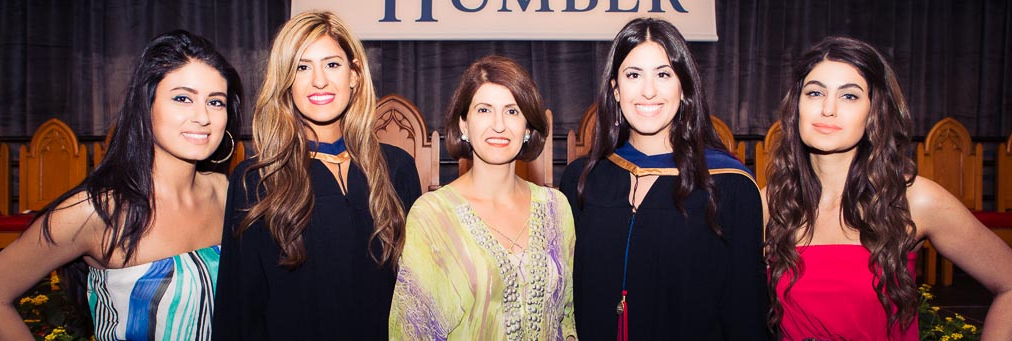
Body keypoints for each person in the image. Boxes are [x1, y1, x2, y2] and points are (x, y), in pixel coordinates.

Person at [0, 30, 242, 341]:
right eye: (182, 98)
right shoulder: (96, 212)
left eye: (216, 102)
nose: (203, 116)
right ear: (145, 106)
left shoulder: (224, 190)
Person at [764, 36, 1012, 340]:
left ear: (874, 112)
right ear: (796, 106)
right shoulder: (770, 203)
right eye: (815, 93)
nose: (828, 109)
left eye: (849, 96)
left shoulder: (914, 200)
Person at [212, 10, 421, 340]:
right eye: (302, 67)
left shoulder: (397, 169)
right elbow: (238, 312)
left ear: (354, 75)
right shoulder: (256, 181)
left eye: (332, 64)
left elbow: (417, 295)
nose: (319, 80)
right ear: (285, 83)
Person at [559, 18, 768, 340]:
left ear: (683, 87)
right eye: (633, 75)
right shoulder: (582, 179)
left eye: (663, 74)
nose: (648, 91)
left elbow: (745, 310)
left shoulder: (728, 185)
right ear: (615, 89)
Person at [389, 55, 576, 340]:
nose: (499, 125)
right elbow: (412, 331)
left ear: (527, 128)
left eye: (512, 111)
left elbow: (567, 319)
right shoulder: (432, 216)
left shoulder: (556, 209)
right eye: (484, 110)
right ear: (464, 124)